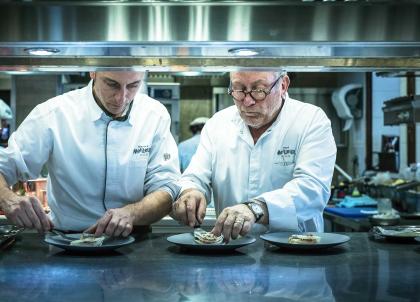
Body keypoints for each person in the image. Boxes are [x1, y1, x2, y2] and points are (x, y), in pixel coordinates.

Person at [0, 71, 180, 237]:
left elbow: (167, 187)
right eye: (112, 84)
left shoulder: (154, 115)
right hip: (67, 242)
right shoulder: (54, 114)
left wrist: (131, 213)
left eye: (133, 86)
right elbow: (4, 166)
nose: (121, 98)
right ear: (93, 72)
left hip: (135, 242)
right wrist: (7, 199)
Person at [172, 71, 336, 242]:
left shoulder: (310, 120)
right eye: (238, 89)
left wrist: (255, 209)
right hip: (232, 253)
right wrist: (191, 191)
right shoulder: (218, 124)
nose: (247, 101)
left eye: (259, 90)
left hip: (295, 251)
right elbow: (196, 175)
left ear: (283, 85)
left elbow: (312, 189)